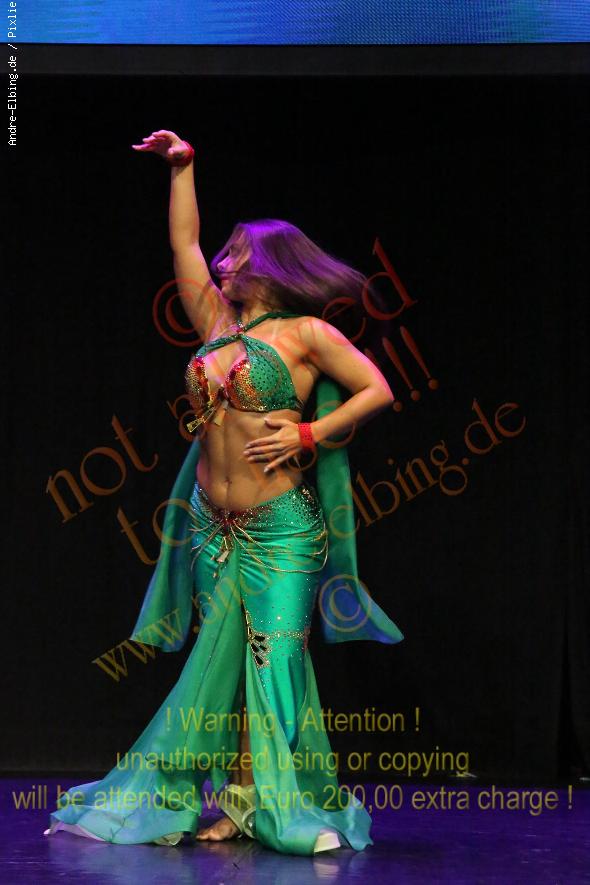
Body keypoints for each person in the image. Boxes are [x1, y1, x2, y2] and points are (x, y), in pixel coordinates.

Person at [43, 130, 404, 856]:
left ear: (268, 265)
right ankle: (233, 805)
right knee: (223, 675)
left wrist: (309, 434)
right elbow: (183, 243)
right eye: (223, 252)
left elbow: (377, 389)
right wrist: (183, 168)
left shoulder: (306, 334)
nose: (220, 261)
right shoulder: (213, 323)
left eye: (235, 253)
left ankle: (284, 811)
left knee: (273, 663)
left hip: (282, 527)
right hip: (213, 527)